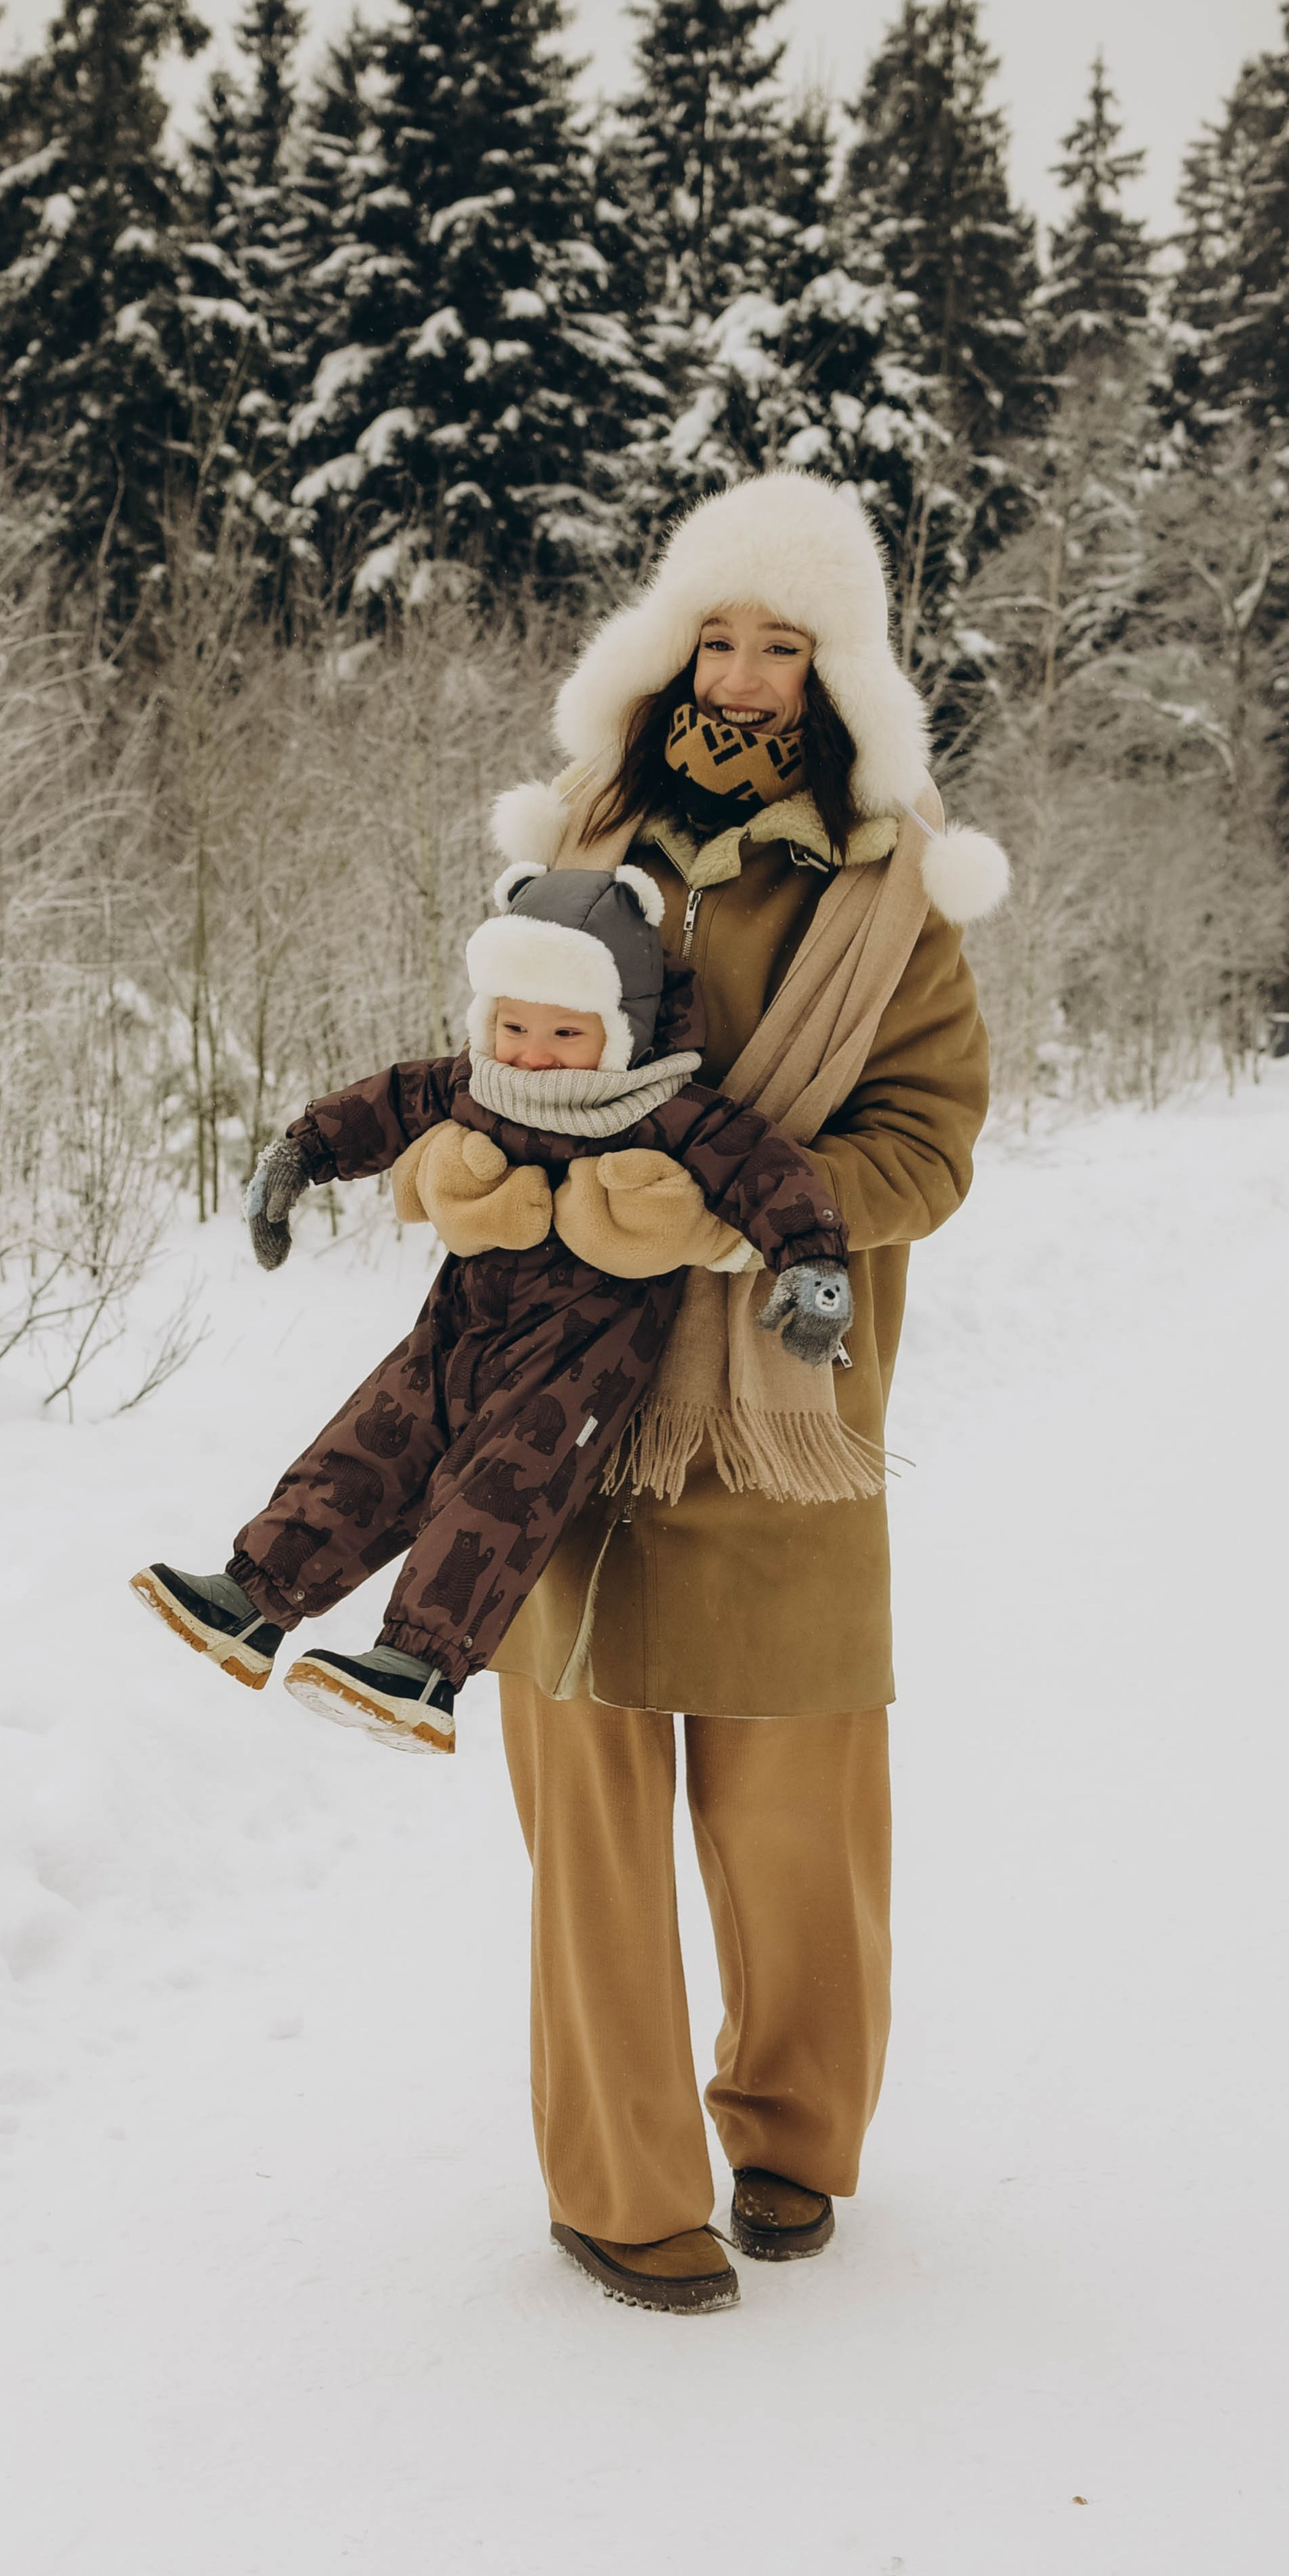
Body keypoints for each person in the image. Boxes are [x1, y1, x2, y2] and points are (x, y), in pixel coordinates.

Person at [480, 469, 1004, 2316]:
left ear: (836, 671)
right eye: (716, 633)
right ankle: (616, 2184)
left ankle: (790, 2135)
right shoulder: (568, 839)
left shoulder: (894, 887)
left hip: (783, 1389)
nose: (742, 670)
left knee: (796, 1810)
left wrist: (738, 1209)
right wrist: (462, 1173)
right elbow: (497, 1066)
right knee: (588, 1816)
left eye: (783, 642)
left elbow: (927, 1141)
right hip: (557, 1384)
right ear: (664, 645)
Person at [131, 866, 853, 1753]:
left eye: (564, 1032)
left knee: (503, 1489)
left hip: (580, 1357)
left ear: (622, 1029)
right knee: (371, 1440)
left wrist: (812, 1265)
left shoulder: (662, 1112)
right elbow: (386, 1104)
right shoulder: (474, 1085)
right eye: (513, 1027)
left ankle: (420, 1666)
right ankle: (255, 1597)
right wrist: (296, 1158)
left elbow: (764, 1171)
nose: (531, 1054)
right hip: (458, 1324)